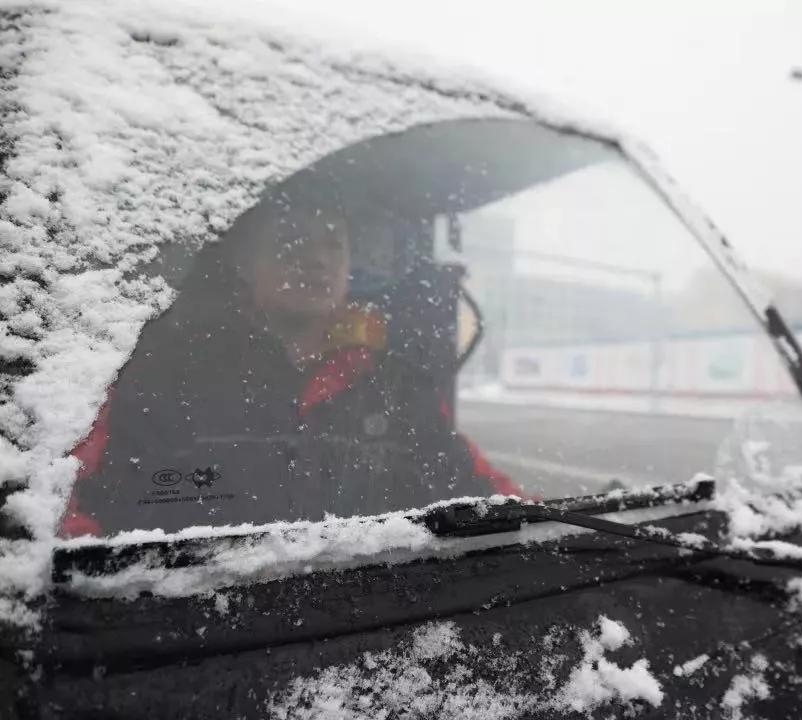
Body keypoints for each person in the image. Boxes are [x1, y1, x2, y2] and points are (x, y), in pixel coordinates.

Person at [61, 169, 520, 537]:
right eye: (293, 238)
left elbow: (491, 500)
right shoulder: (160, 379)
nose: (318, 258)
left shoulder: (397, 388)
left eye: (333, 243)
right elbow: (60, 519)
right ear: (243, 261)